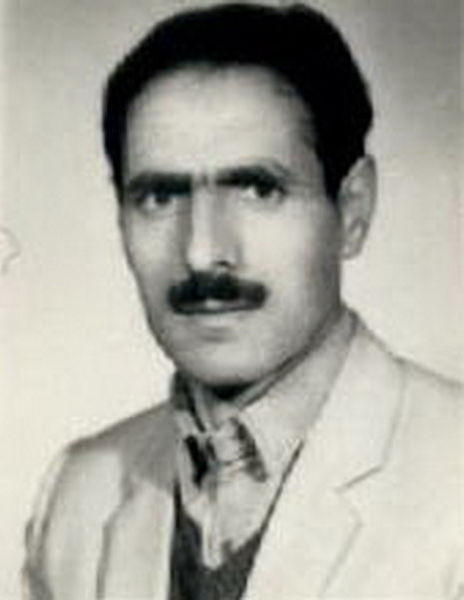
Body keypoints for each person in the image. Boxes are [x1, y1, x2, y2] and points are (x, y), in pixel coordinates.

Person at [23, 3, 463, 598]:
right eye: (159, 197)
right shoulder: (80, 491)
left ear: (353, 210)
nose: (202, 252)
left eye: (258, 189)